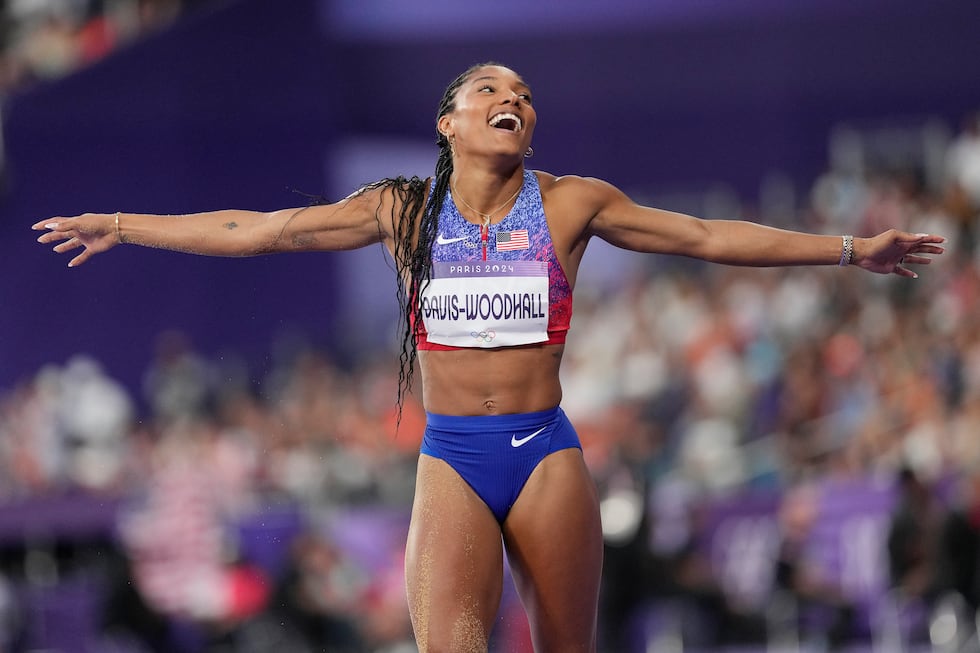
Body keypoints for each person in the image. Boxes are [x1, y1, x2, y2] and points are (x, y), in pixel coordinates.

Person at [33, 62, 945, 652]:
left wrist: (848, 250)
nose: (511, 98)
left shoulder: (573, 204)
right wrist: (121, 225)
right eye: (487, 90)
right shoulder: (400, 210)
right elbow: (256, 230)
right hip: (454, 459)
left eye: (523, 94)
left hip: (545, 454)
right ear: (449, 125)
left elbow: (706, 234)